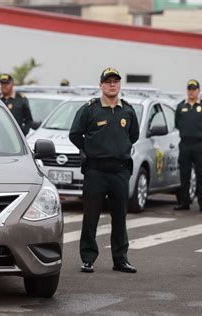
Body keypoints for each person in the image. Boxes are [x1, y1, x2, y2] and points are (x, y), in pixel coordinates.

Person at [69, 67, 139, 274]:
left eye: (115, 81)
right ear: (100, 85)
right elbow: (75, 134)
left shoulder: (127, 110)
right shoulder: (90, 109)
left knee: (120, 218)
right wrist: (90, 148)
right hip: (96, 171)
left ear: (119, 84)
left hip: (119, 171)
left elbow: (132, 136)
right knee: (91, 217)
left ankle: (120, 259)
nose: (112, 84)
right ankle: (88, 258)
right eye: (107, 81)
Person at [174, 79, 202, 212]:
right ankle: (184, 202)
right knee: (184, 174)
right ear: (187, 90)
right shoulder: (181, 107)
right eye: (189, 89)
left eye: (194, 89)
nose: (191, 92)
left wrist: (200, 132)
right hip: (185, 144)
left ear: (198, 91)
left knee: (201, 174)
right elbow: (177, 123)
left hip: (199, 144)